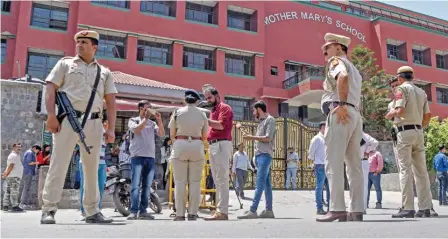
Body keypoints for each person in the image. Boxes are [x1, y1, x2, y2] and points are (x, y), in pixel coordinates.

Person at [41, 30, 117, 224]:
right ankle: (48, 209)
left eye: (84, 42)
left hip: (94, 123)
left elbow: (111, 101)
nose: (80, 45)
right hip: (67, 120)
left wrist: (110, 129)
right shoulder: (65, 64)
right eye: (78, 42)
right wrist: (51, 115)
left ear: (95, 47)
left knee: (92, 168)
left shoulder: (104, 72)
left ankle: (92, 210)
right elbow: (50, 88)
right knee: (59, 165)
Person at [316, 33, 364, 222]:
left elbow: (341, 77)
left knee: (333, 162)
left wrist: (341, 104)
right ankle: (356, 209)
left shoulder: (336, 62)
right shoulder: (355, 69)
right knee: (354, 165)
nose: (324, 51)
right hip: (355, 115)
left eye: (327, 47)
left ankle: (336, 208)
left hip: (341, 113)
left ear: (338, 48)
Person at [386, 66, 434, 218]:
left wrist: (390, 115)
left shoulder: (401, 89)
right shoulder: (422, 92)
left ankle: (407, 207)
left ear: (400, 78)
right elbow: (427, 116)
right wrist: (418, 126)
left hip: (403, 132)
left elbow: (399, 110)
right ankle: (425, 207)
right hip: (419, 131)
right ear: (412, 76)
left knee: (405, 170)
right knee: (421, 171)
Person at [168, 89, 208, 221]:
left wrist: (178, 143)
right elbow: (204, 136)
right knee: (195, 182)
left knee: (180, 182)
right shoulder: (202, 114)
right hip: (197, 146)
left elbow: (172, 134)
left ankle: (180, 214)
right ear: (196, 101)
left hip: (180, 144)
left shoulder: (177, 112)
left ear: (185, 100)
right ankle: (192, 213)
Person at [237, 100, 276, 219]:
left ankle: (253, 211)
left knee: (259, 184)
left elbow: (268, 138)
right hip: (260, 156)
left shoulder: (270, 120)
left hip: (265, 156)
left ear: (259, 109)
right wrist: (244, 131)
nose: (253, 113)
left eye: (254, 110)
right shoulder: (261, 123)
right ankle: (269, 211)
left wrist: (251, 137)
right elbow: (257, 138)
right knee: (267, 185)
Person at [127, 100, 165, 220]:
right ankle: (133, 211)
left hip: (150, 157)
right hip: (137, 156)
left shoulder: (152, 123)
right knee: (135, 186)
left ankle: (143, 211)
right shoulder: (133, 120)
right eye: (146, 108)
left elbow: (162, 134)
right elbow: (136, 130)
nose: (148, 110)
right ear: (140, 109)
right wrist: (145, 119)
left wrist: (159, 120)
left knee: (147, 186)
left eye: (150, 108)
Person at [202, 85, 233, 221]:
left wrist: (204, 120)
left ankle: (223, 212)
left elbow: (220, 125)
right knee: (217, 180)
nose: (208, 100)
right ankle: (220, 210)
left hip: (221, 144)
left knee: (222, 179)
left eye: (209, 97)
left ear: (217, 96)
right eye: (206, 98)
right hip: (214, 145)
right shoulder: (213, 110)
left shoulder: (224, 108)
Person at [79, 114, 109, 219]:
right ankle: (84, 211)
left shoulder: (105, 134)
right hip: (86, 161)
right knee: (85, 186)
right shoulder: (88, 127)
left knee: (100, 187)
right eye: (107, 122)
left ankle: (96, 210)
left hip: (101, 163)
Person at [309, 121, 330, 215]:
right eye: (326, 127)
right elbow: (311, 153)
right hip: (320, 165)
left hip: (328, 165)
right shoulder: (317, 139)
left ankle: (330, 207)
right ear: (322, 128)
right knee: (320, 187)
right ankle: (319, 208)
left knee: (330, 188)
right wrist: (314, 161)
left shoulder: (328, 138)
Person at [360, 130, 379, 213]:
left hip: (357, 161)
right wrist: (367, 150)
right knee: (364, 185)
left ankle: (357, 207)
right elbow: (375, 142)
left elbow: (376, 142)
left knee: (355, 185)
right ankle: (362, 207)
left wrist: (367, 150)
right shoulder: (364, 135)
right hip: (363, 160)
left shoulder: (361, 135)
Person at [2, 143, 24, 212]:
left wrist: (6, 174)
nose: (19, 148)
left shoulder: (15, 155)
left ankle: (5, 206)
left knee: (8, 191)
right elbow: (11, 166)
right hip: (14, 177)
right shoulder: (14, 155)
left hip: (12, 176)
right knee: (14, 191)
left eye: (20, 147)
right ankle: (14, 206)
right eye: (18, 147)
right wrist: (6, 174)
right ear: (14, 147)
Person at [20, 144, 41, 209]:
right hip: (28, 172)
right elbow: (29, 162)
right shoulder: (30, 153)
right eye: (37, 150)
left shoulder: (30, 152)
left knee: (27, 187)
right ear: (34, 148)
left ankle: (24, 203)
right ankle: (23, 203)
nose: (37, 152)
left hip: (29, 172)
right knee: (26, 187)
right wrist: (36, 163)